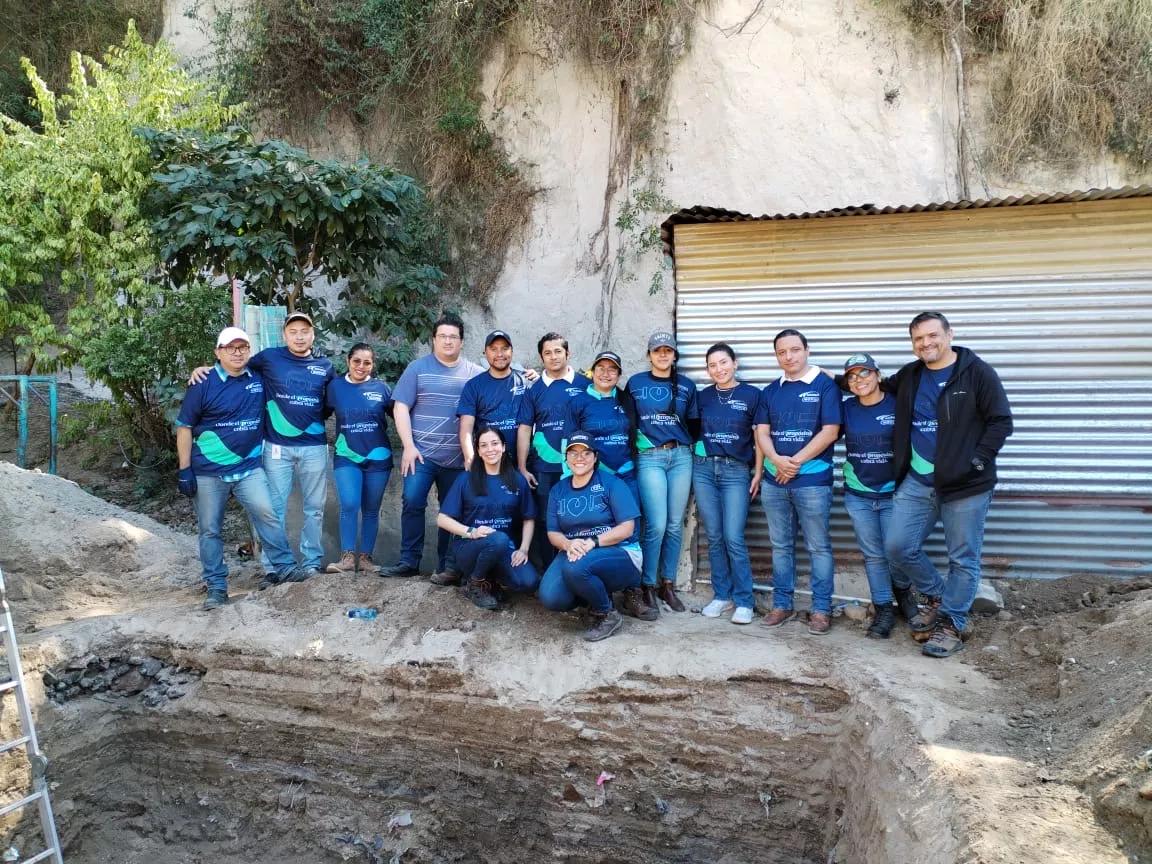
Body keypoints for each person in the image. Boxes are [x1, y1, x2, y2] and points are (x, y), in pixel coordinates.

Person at [881, 312, 1013, 658]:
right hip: (919, 480)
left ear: (949, 334)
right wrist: (827, 380)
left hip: (966, 486)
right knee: (897, 545)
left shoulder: (977, 373)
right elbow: (870, 386)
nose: (926, 343)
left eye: (932, 335)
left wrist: (977, 462)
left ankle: (953, 622)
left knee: (963, 558)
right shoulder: (910, 375)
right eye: (918, 339)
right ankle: (940, 595)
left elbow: (1001, 422)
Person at [176, 327, 312, 609]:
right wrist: (184, 469)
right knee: (210, 530)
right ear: (218, 352)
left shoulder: (259, 380)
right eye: (230, 347)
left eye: (242, 347)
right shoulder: (202, 383)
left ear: (249, 351)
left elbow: (294, 370)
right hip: (208, 471)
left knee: (267, 514)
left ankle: (285, 568)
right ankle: (216, 587)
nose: (237, 352)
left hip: (249, 467)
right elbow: (185, 427)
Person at [190, 311, 334, 575]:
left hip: (314, 446)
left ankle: (312, 563)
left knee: (315, 509)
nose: (299, 336)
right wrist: (207, 369)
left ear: (313, 334)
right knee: (273, 509)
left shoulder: (325, 366)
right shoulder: (269, 358)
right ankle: (272, 569)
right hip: (276, 448)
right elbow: (235, 365)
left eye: (305, 331)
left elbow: (328, 406)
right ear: (284, 335)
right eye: (293, 331)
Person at [383, 312, 485, 579]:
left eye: (453, 337)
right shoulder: (417, 369)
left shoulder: (474, 373)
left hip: (458, 460)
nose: (448, 341)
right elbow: (401, 407)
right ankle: (409, 562)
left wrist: (526, 372)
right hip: (422, 455)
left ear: (462, 342)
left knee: (452, 512)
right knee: (413, 501)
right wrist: (408, 445)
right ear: (433, 340)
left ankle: (446, 567)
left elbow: (501, 377)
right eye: (443, 336)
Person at [754, 329, 842, 635]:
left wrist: (794, 463)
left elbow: (830, 431)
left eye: (794, 350)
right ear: (776, 356)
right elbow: (761, 432)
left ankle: (821, 609)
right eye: (782, 352)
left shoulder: (825, 386)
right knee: (781, 546)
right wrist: (777, 460)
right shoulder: (770, 391)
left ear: (806, 350)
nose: (788, 357)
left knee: (818, 547)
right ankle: (782, 604)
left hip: (813, 481)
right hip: (774, 481)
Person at [537, 432, 650, 642]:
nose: (579, 458)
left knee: (577, 568)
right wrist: (568, 544)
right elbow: (553, 532)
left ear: (595, 457)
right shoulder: (558, 490)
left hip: (619, 551)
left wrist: (593, 542)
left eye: (585, 452)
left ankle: (606, 613)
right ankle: (593, 597)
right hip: (575, 550)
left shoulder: (611, 484)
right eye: (573, 453)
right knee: (551, 597)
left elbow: (627, 528)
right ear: (566, 457)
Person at [626, 331, 699, 614]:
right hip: (650, 458)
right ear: (649, 355)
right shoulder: (635, 383)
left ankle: (667, 583)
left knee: (673, 523)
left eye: (668, 350)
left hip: (680, 456)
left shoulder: (686, 386)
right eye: (658, 350)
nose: (663, 355)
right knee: (655, 524)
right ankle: (647, 584)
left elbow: (694, 425)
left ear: (674, 355)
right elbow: (629, 422)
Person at [694, 343, 763, 625]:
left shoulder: (752, 395)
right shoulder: (702, 397)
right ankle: (722, 595)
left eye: (723, 363)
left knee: (733, 536)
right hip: (704, 470)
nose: (718, 369)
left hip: (737, 471)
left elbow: (760, 438)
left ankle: (745, 600)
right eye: (712, 365)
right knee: (714, 536)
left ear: (735, 364)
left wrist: (757, 472)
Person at [436, 425, 540, 609]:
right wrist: (471, 531)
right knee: (498, 539)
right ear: (478, 450)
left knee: (528, 582)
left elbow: (528, 518)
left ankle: (491, 582)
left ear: (504, 447)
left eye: (494, 443)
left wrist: (523, 549)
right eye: (484, 445)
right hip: (469, 547)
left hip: (504, 548)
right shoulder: (465, 479)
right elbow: (442, 519)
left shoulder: (517, 480)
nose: (490, 449)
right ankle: (474, 584)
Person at [516, 332, 591, 570]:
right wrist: (522, 466)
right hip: (544, 468)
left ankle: (578, 569)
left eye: (558, 351)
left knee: (580, 518)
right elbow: (525, 429)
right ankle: (549, 572)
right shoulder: (534, 390)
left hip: (580, 467)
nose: (553, 356)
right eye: (547, 353)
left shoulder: (585, 385)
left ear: (568, 354)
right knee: (546, 519)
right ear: (541, 357)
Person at [839, 352, 900, 639]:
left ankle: (909, 602)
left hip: (894, 493)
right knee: (874, 556)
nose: (859, 380)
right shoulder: (847, 409)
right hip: (859, 494)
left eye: (864, 373)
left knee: (899, 552)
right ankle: (885, 609)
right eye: (852, 376)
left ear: (878, 375)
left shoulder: (898, 404)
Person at [324, 343, 394, 575]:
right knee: (350, 504)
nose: (361, 367)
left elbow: (402, 415)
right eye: (357, 361)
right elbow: (319, 412)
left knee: (372, 510)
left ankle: (365, 559)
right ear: (348, 361)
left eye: (367, 362)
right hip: (347, 456)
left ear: (373, 365)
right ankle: (347, 557)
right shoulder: (335, 387)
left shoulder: (382, 389)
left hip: (378, 457)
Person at [564, 350, 639, 503]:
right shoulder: (578, 402)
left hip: (626, 475)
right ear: (592, 372)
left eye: (612, 369)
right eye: (601, 368)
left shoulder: (627, 400)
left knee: (632, 524)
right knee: (599, 525)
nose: (606, 373)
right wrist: (569, 476)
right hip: (593, 475)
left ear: (618, 375)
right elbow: (567, 442)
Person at [456, 330, 528, 469]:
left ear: (512, 351)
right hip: (487, 464)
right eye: (493, 349)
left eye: (505, 348)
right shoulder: (473, 386)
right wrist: (469, 459)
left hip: (522, 465)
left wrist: (523, 467)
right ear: (485, 352)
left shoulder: (526, 382)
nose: (499, 354)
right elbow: (466, 428)